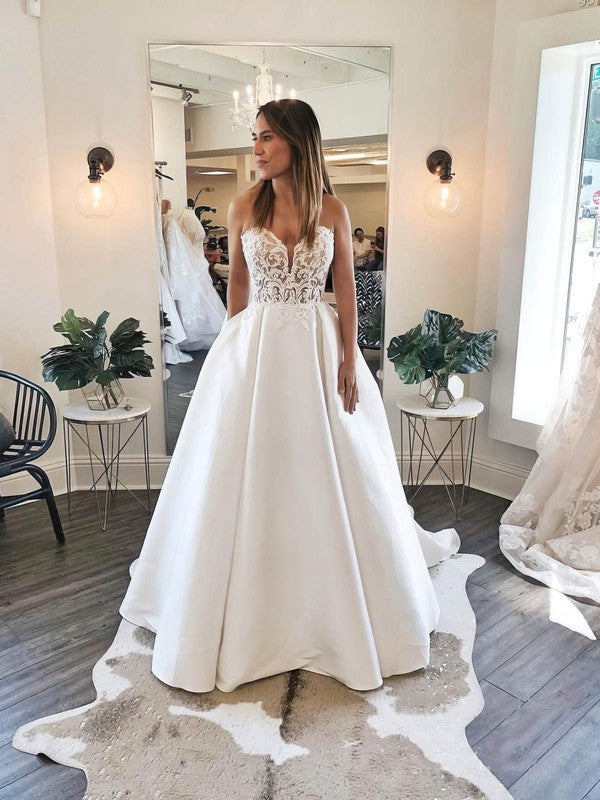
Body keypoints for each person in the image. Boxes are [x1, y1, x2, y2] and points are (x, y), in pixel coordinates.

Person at [119, 98, 459, 694]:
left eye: (267, 138)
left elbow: (346, 288)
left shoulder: (333, 208)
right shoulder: (243, 205)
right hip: (256, 349)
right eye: (255, 137)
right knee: (249, 465)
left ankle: (339, 601)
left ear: (298, 142)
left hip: (317, 347)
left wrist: (350, 359)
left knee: (330, 463)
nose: (257, 149)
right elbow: (238, 289)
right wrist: (230, 357)